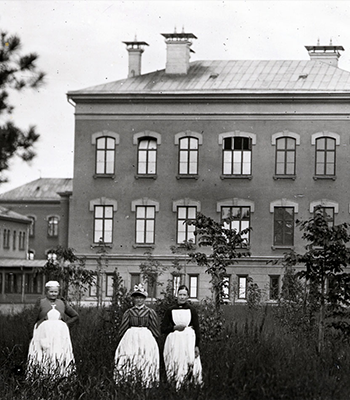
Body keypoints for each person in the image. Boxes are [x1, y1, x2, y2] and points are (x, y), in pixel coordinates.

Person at [26, 280, 79, 378]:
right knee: (43, 352)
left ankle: (60, 375)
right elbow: (32, 318)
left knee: (58, 352)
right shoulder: (41, 302)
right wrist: (31, 334)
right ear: (46, 292)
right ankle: (42, 376)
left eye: (55, 292)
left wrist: (65, 325)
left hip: (59, 334)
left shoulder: (62, 303)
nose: (53, 294)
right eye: (51, 292)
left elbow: (75, 316)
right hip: (44, 332)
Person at [114, 283, 160, 387]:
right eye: (137, 298)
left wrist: (155, 338)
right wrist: (120, 337)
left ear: (144, 299)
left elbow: (154, 327)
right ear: (134, 299)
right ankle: (129, 380)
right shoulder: (129, 312)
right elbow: (124, 327)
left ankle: (146, 380)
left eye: (141, 298)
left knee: (145, 356)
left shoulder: (150, 312)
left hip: (145, 337)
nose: (139, 300)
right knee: (131, 356)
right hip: (131, 337)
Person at [161, 284, 203, 388]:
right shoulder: (170, 310)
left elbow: (197, 328)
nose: (182, 297)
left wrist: (196, 345)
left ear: (187, 296)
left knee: (189, 360)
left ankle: (189, 384)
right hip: (175, 341)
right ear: (177, 295)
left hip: (188, 339)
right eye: (180, 294)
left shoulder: (192, 310)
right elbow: (163, 329)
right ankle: (175, 384)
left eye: (184, 295)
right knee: (176, 360)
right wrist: (174, 328)